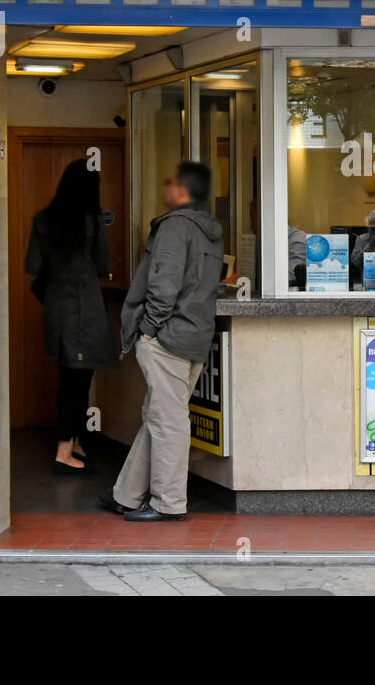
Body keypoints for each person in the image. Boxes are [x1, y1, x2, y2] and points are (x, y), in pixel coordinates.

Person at [102, 161, 224, 522]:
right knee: (159, 415)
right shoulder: (211, 231)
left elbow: (164, 285)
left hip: (168, 338)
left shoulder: (175, 227)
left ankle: (168, 503)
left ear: (183, 190)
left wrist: (149, 329)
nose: (165, 189)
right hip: (195, 336)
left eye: (171, 183)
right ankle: (126, 494)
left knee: (168, 421)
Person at [25, 159, 115, 475]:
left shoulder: (43, 220)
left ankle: (74, 441)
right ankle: (64, 453)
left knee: (69, 378)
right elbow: (102, 265)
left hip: (56, 311)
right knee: (77, 383)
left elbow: (32, 266)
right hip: (84, 310)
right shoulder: (91, 222)